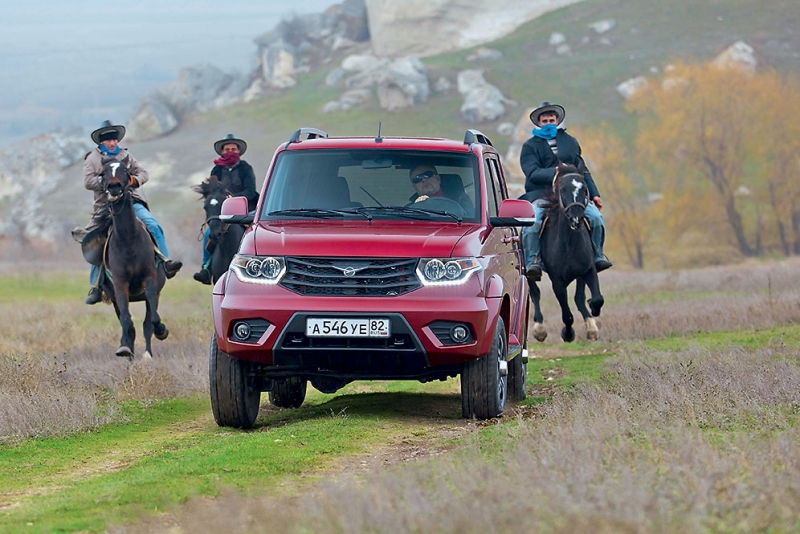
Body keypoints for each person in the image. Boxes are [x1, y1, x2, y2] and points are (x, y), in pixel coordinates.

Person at [83, 120, 183, 304]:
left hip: (131, 202)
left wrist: (132, 181)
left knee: (153, 225)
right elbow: (88, 181)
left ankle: (167, 262)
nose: (112, 143)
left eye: (114, 140)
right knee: (94, 239)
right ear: (101, 142)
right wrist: (107, 183)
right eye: (108, 140)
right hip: (106, 207)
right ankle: (96, 286)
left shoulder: (126, 156)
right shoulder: (92, 159)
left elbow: (143, 173)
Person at [519, 102, 612, 281]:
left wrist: (594, 194)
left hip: (572, 196)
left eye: (551, 120)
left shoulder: (570, 141)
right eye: (544, 120)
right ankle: (533, 261)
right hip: (541, 194)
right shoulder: (530, 146)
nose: (548, 123)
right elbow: (532, 173)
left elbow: (582, 170)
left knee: (596, 219)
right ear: (538, 123)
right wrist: (556, 172)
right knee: (533, 224)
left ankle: (597, 255)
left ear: (557, 120)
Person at [193, 134, 258, 285]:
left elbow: (250, 191)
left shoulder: (246, 168)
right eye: (227, 149)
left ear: (239, 151)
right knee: (210, 232)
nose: (230, 151)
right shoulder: (216, 169)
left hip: (244, 209)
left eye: (233, 149)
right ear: (222, 152)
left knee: (253, 233)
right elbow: (213, 191)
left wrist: (232, 199)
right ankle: (206, 267)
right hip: (222, 211)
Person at [407, 163, 472, 214]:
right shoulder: (408, 211)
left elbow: (471, 222)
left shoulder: (460, 199)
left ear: (438, 178)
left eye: (427, 175)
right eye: (417, 179)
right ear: (414, 186)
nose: (423, 180)